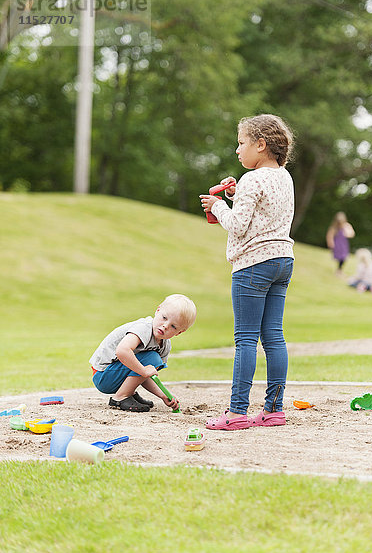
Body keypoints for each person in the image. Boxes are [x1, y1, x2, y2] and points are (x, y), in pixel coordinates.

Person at [200, 113, 295, 430]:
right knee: (274, 338)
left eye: (241, 143)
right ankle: (274, 409)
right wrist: (234, 196)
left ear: (261, 144)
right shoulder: (284, 176)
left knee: (244, 340)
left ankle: (237, 412)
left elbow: (238, 226)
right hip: (283, 260)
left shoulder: (252, 179)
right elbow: (265, 212)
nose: (237, 150)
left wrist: (217, 207)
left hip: (253, 264)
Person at [90, 294, 197, 412]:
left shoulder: (165, 345)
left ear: (179, 332)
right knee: (153, 359)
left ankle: (128, 393)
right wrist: (144, 370)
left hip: (115, 375)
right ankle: (120, 397)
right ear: (158, 310)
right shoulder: (143, 328)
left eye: (173, 326)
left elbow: (144, 375)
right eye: (164, 318)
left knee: (152, 361)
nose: (165, 326)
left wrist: (162, 394)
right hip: (102, 374)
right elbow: (122, 351)